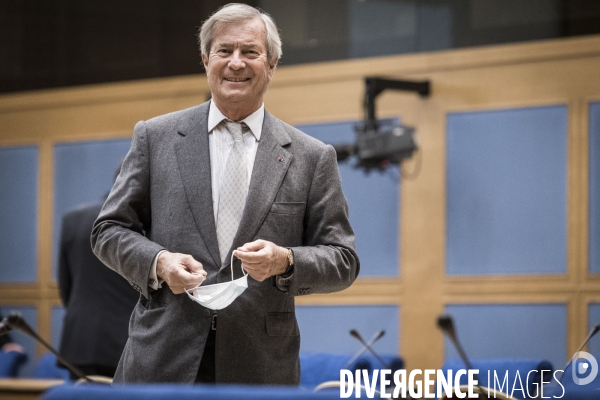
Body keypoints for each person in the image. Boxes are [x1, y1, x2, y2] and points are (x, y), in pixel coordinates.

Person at [91, 3, 359, 385]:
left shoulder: (312, 157)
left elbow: (343, 259)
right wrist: (159, 262)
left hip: (260, 365)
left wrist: (285, 260)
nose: (236, 63)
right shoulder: (155, 137)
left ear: (272, 64)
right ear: (205, 60)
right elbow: (108, 231)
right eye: (224, 51)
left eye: (250, 52)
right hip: (161, 358)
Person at [57, 165, 139, 380]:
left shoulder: (73, 219)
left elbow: (65, 286)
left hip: (80, 340)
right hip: (130, 343)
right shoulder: (147, 222)